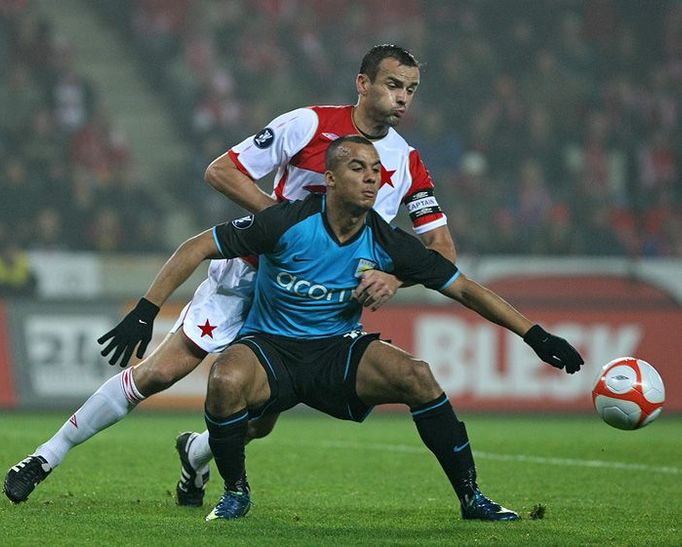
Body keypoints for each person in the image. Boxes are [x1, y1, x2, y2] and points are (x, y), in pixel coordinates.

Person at [4, 45, 457, 506]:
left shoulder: (408, 162)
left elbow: (441, 251)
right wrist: (286, 229)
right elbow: (222, 171)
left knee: (260, 420)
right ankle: (45, 456)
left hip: (314, 307)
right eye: (393, 85)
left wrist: (396, 278)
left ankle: (196, 452)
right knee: (159, 373)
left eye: (412, 90)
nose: (403, 98)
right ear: (364, 84)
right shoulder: (308, 125)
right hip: (248, 277)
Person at [74, 136, 582, 523]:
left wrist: (535, 334)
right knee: (225, 380)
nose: (371, 178)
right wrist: (147, 309)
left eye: (377, 171)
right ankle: (235, 491)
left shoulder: (388, 242)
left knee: (419, 376)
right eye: (357, 168)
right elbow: (197, 246)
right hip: (269, 349)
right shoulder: (286, 221)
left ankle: (471, 497)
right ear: (331, 178)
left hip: (336, 352)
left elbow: (465, 288)